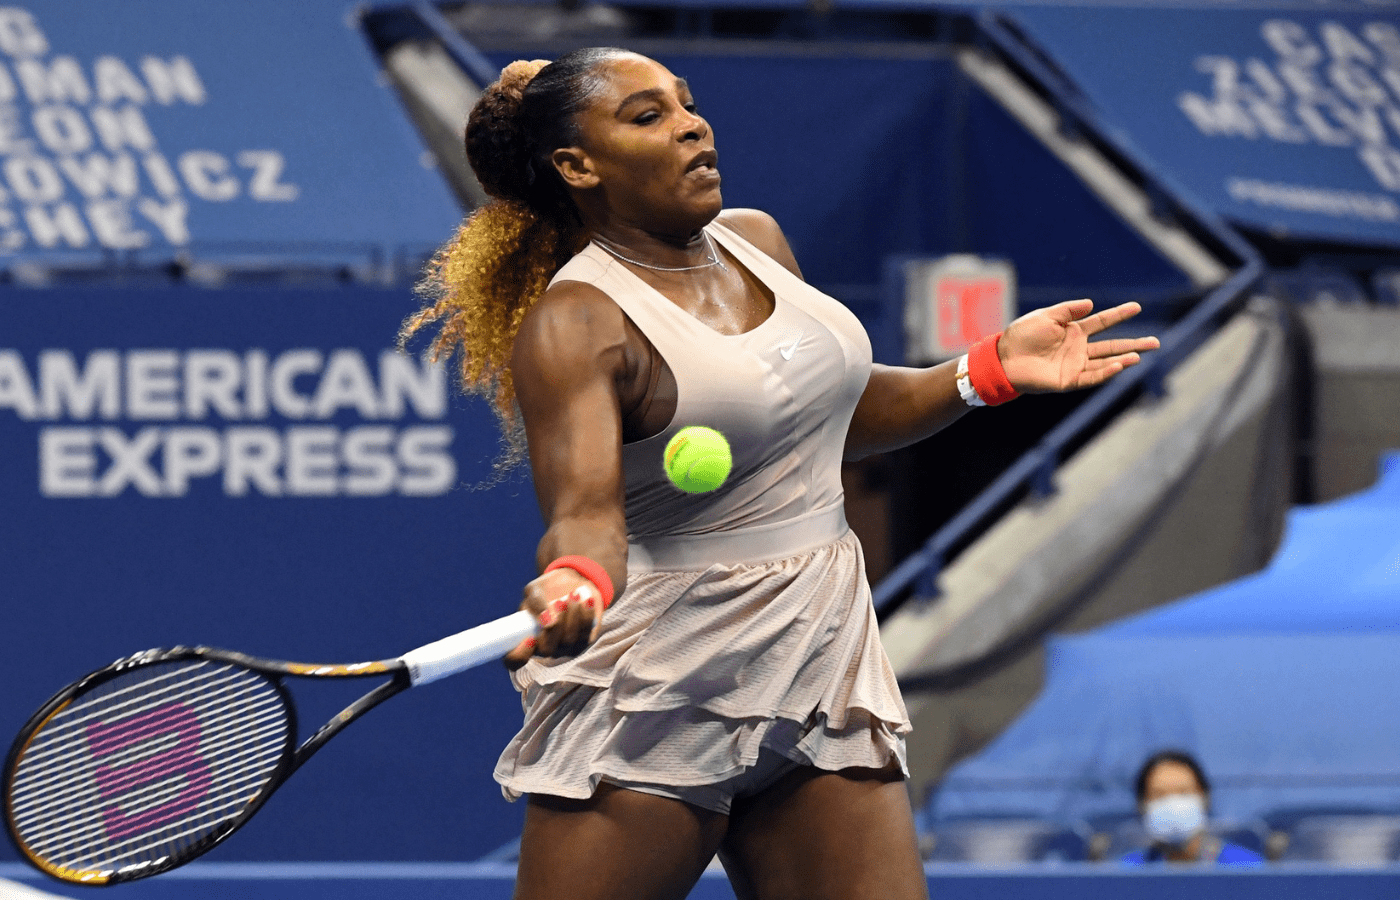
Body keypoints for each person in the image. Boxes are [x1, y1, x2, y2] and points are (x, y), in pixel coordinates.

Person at [403, 47, 1159, 900]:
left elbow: (825, 420)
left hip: (818, 654)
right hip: (666, 682)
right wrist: (575, 578)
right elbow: (586, 512)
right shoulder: (578, 321)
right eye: (647, 116)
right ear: (578, 166)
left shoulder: (755, 241)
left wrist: (978, 373)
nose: (692, 124)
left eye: (687, 104)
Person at [1120, 749, 1265, 866]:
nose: (1173, 803)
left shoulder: (1246, 868)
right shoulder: (1126, 872)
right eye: (1159, 795)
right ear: (1142, 805)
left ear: (1205, 799)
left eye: (1183, 792)